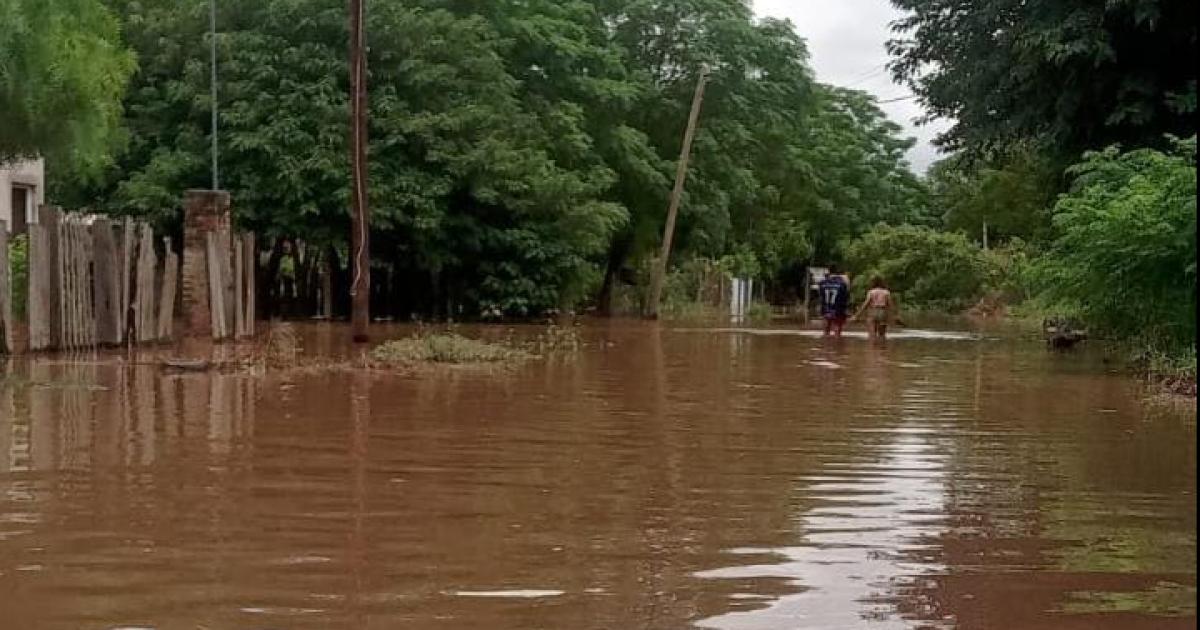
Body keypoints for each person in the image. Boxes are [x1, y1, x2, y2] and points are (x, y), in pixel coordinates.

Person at [818, 266, 851, 338]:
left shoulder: (822, 283)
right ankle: (837, 344)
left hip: (826, 308)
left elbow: (821, 295)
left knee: (826, 332)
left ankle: (825, 344)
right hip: (838, 309)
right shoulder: (842, 283)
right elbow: (846, 295)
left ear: (829, 271)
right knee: (837, 332)